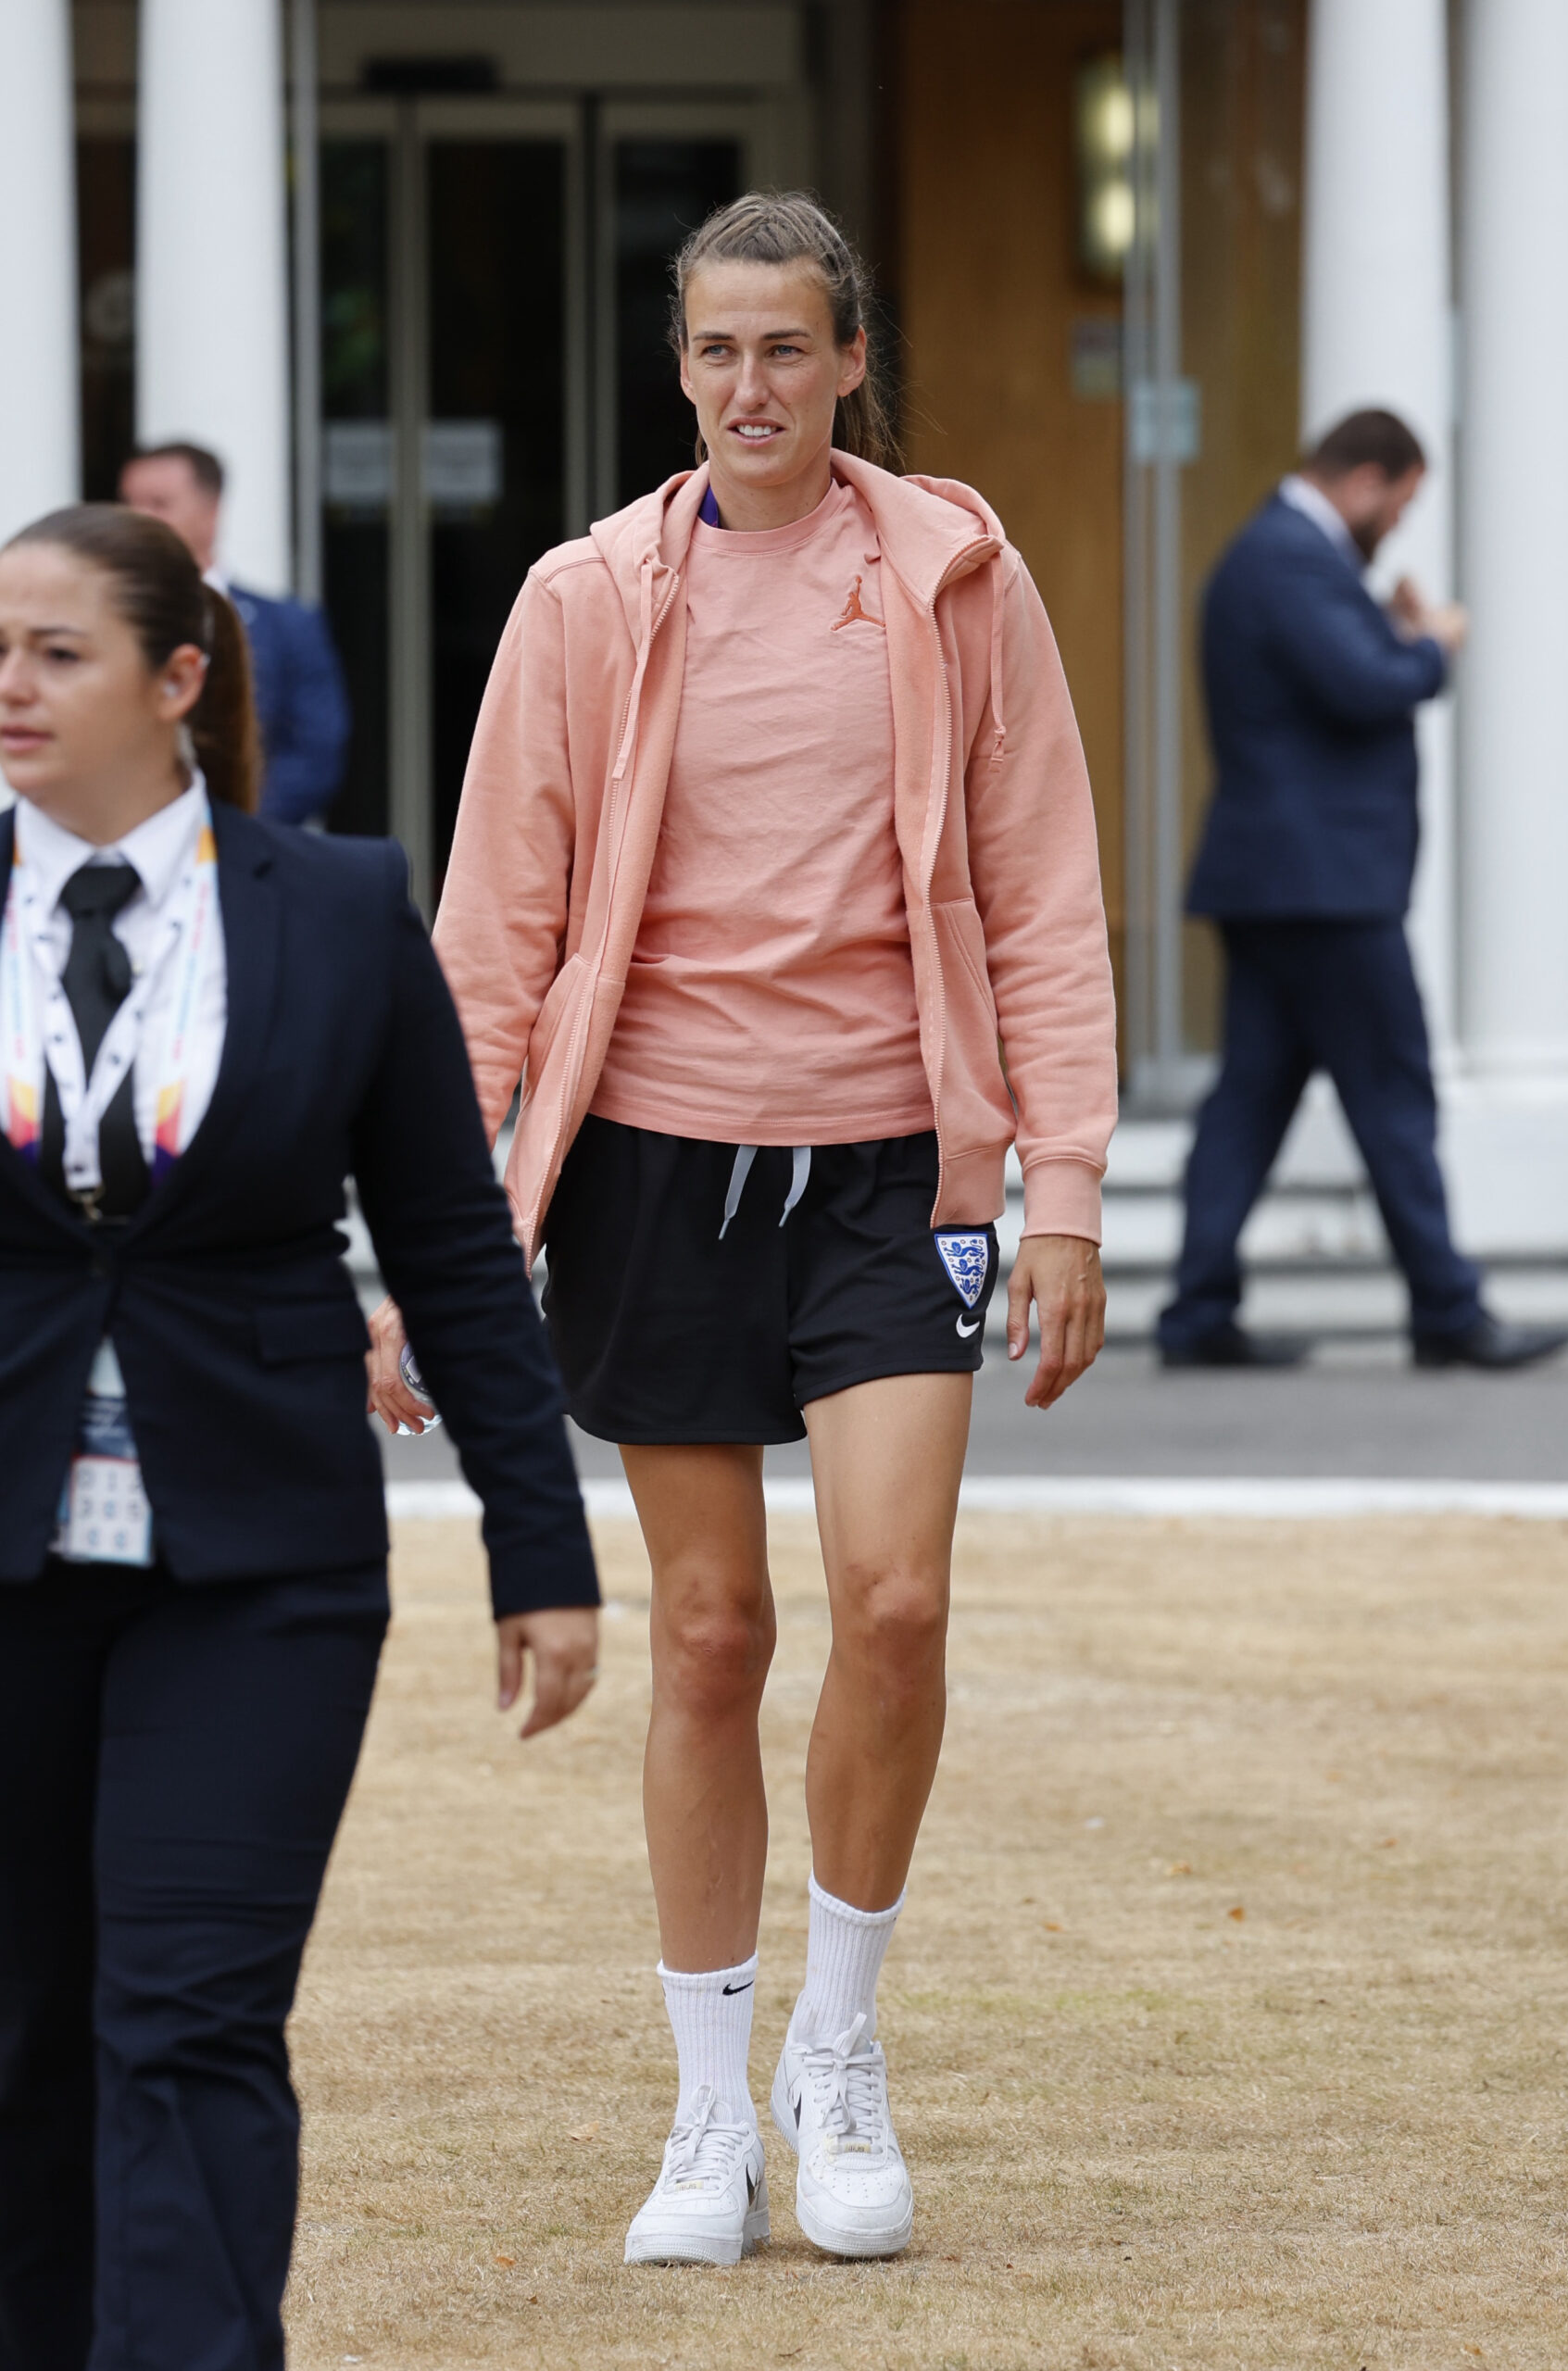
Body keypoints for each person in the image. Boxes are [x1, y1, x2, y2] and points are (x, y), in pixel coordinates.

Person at [367, 192, 1116, 2265]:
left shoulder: (955, 577)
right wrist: (434, 1244)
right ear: (677, 366)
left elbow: (1044, 890)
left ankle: (842, 2045)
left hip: (896, 1170)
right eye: (715, 353)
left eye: (787, 348)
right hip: (653, 1173)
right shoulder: (588, 600)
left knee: (892, 1604)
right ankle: (709, 2114)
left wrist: (1064, 1189)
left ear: (850, 357)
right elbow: (489, 939)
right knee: (710, 1636)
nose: (750, 388)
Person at [0, 503, 600, 2370]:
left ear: (179, 680)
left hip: (259, 1566)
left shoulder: (338, 909)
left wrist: (541, 1548)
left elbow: (450, 1246)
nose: (10, 685)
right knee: (20, 2028)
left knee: (186, 2017)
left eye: (54, 651)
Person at [1158, 408, 1568, 1371]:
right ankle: (1445, 1310)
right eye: (1402, 502)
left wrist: (1387, 633)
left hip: (1282, 885)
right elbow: (1365, 683)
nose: (1396, 524)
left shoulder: (1281, 557)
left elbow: (1326, 677)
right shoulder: (1288, 557)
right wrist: (1432, 642)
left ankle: (1195, 1312)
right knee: (1392, 1094)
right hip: (1322, 890)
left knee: (1250, 1101)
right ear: (1366, 481)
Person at [119, 440, 351, 827]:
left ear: (211, 513)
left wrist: (234, 829)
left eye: (159, 504)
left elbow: (316, 750)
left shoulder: (289, 624)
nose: (138, 519)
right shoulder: (97, 621)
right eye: (129, 503)